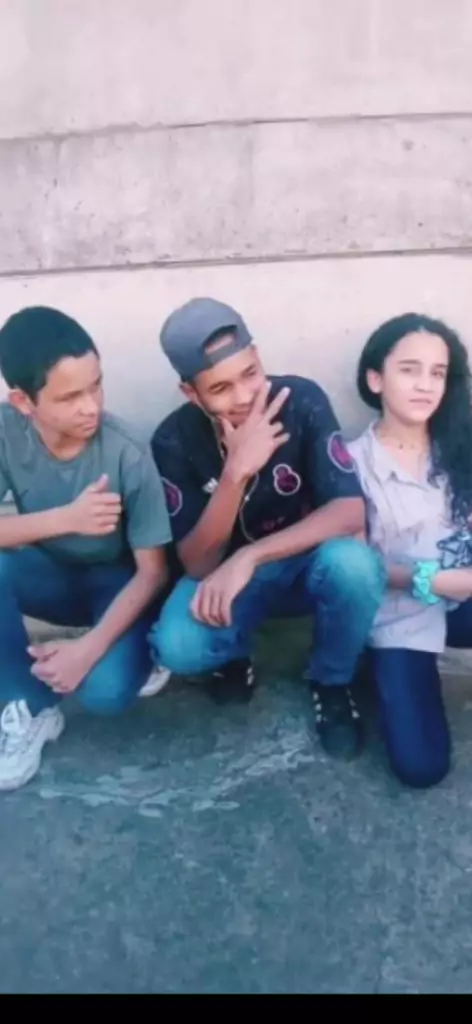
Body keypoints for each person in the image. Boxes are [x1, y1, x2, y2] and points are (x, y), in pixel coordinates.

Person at [149, 297, 385, 760]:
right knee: (177, 646)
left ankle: (331, 680)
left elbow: (349, 512)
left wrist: (249, 555)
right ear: (191, 393)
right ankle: (235, 655)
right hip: (228, 585)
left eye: (250, 373)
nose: (243, 396)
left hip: (305, 567)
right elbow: (197, 563)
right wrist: (235, 473)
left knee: (356, 566)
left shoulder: (301, 401)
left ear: (258, 357)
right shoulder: (173, 439)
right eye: (220, 388)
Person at [0, 306, 172, 791]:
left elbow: (153, 572)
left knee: (103, 692)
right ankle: (28, 705)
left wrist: (86, 651)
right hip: (49, 575)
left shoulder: (125, 450)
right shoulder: (6, 432)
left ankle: (139, 647)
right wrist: (65, 519)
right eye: (70, 397)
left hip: (117, 584)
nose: (91, 407)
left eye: (96, 386)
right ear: (23, 401)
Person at [349, 312, 472, 788]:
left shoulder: (460, 445)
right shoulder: (351, 464)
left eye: (437, 373)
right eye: (409, 370)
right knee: (421, 767)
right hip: (399, 615)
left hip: (463, 602)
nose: (425, 385)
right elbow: (355, 567)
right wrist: (431, 579)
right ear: (375, 379)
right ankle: (374, 669)